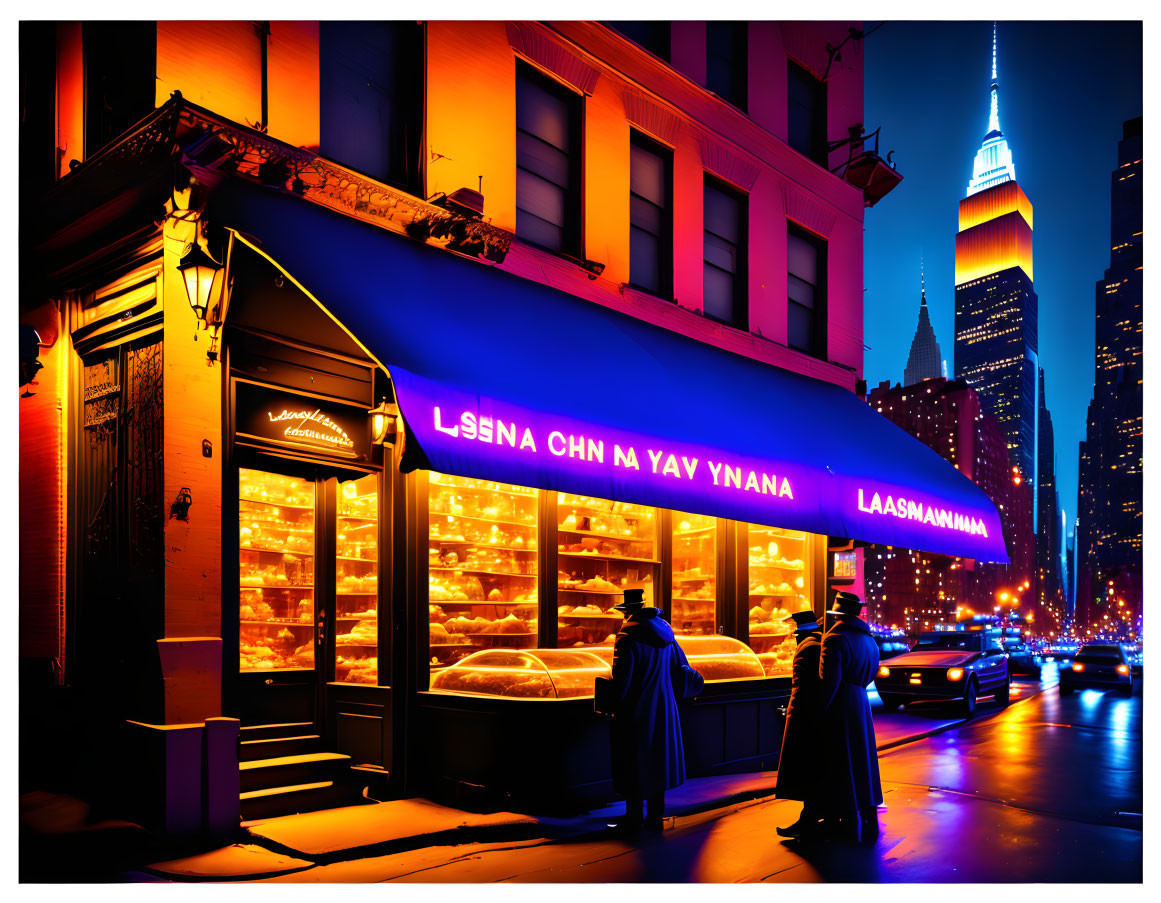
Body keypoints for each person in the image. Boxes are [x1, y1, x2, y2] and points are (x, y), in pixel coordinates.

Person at [607, 588, 704, 833]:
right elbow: (677, 669)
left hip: (636, 708)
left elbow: (622, 680)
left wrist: (612, 704)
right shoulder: (665, 633)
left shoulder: (627, 637)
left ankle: (633, 816)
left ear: (628, 613)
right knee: (658, 760)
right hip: (664, 705)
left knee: (633, 759)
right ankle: (655, 816)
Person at [817, 590, 883, 842]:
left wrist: (819, 711)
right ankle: (868, 816)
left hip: (840, 705)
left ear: (838, 615)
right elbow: (871, 674)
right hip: (861, 702)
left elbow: (828, 683)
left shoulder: (835, 639)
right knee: (862, 761)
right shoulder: (870, 641)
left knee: (840, 762)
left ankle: (842, 821)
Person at [774, 609, 825, 838]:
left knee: (806, 767)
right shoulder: (818, 645)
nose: (794, 638)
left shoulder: (808, 649)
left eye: (796, 634)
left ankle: (809, 820)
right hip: (811, 715)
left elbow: (804, 688)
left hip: (805, 716)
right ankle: (811, 816)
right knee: (811, 767)